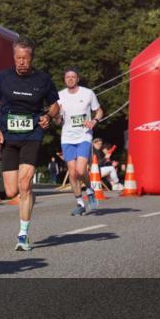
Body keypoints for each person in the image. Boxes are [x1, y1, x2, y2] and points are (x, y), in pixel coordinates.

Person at [0, 37, 60, 251]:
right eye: (18, 58)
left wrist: (48, 116)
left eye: (25, 59)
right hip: (9, 136)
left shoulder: (43, 80)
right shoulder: (3, 78)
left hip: (32, 135)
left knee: (25, 183)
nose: (21, 62)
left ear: (32, 58)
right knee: (11, 191)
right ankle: (28, 197)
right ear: (14, 57)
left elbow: (55, 106)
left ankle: (23, 235)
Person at [55, 67, 103, 216]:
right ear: (64, 79)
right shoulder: (59, 96)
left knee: (81, 170)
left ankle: (89, 189)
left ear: (77, 79)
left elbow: (99, 111)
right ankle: (80, 204)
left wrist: (94, 121)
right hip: (67, 137)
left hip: (84, 136)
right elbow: (57, 121)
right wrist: (57, 115)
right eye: (67, 77)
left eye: (73, 76)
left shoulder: (88, 93)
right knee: (72, 172)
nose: (70, 79)